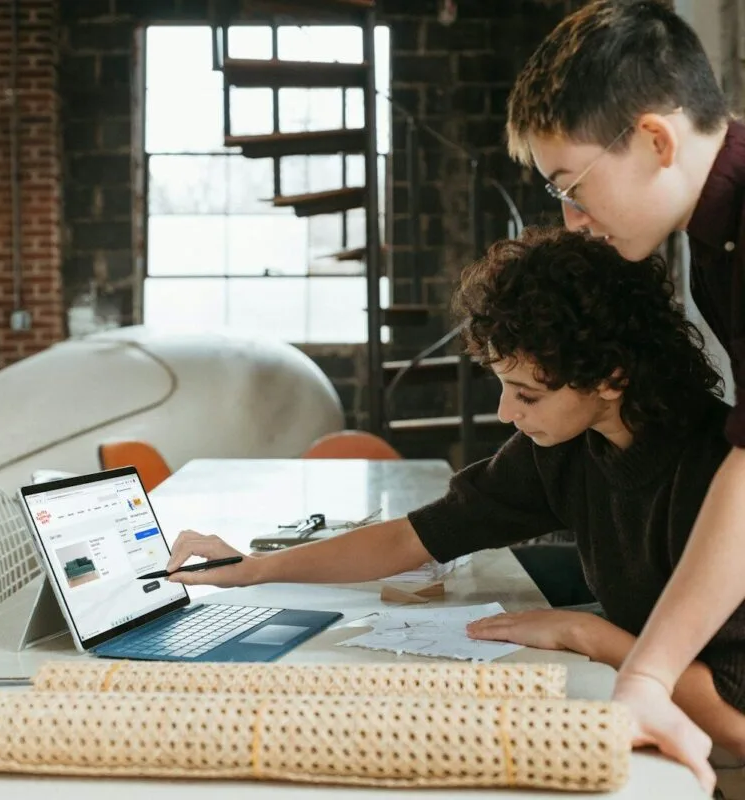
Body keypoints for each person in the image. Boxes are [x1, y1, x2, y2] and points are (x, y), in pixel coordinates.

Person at [165, 228, 744, 782]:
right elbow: (412, 537)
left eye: (527, 394)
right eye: (503, 387)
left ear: (611, 379)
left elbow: (738, 727)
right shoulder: (567, 448)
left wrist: (585, 631)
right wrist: (256, 569)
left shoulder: (717, 477)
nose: (505, 413)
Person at [505, 0, 745, 789]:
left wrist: (644, 673)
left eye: (573, 186)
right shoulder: (715, 242)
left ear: (654, 140)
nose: (574, 221)